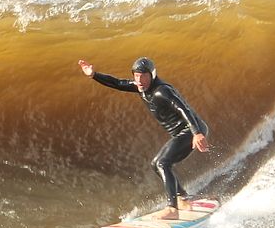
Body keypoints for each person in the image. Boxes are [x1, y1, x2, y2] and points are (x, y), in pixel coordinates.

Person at [78, 56, 209, 219]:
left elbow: (184, 110)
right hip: (182, 132)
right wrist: (93, 75)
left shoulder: (162, 91)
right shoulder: (140, 86)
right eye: (136, 76)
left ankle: (172, 209)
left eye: (144, 76)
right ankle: (183, 198)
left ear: (152, 75)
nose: (139, 80)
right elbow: (117, 83)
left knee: (162, 162)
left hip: (190, 130)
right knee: (158, 165)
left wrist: (196, 133)